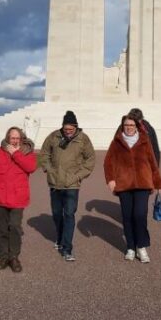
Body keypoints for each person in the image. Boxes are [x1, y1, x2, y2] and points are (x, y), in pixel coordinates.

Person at [104, 115, 161, 263]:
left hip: (143, 183)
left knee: (140, 215)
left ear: (136, 127)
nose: (129, 127)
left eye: (131, 125)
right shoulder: (117, 142)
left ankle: (141, 247)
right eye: (126, 125)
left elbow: (153, 163)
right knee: (127, 216)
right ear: (122, 126)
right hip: (124, 185)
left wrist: (158, 183)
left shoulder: (144, 141)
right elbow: (108, 163)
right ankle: (131, 247)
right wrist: (111, 181)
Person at [39, 110, 95, 261]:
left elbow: (90, 160)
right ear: (62, 127)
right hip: (55, 182)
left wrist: (78, 176)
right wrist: (48, 170)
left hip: (72, 185)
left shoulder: (83, 139)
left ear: (76, 127)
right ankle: (59, 237)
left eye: (71, 129)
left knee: (69, 214)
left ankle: (67, 248)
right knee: (57, 214)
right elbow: (44, 154)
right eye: (66, 129)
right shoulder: (53, 136)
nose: (68, 132)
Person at [0, 126, 37, 273]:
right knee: (3, 229)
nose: (15, 141)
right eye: (12, 138)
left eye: (17, 138)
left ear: (22, 138)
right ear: (8, 138)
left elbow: (31, 167)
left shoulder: (27, 152)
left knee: (15, 227)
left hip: (18, 198)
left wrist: (16, 154)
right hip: (0, 197)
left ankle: (14, 257)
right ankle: (4, 256)